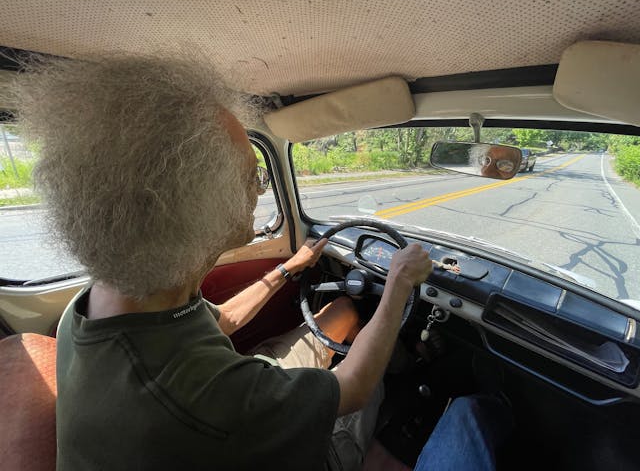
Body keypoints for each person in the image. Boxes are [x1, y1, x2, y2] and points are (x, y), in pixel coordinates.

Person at [14, 54, 431, 471]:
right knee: (384, 387)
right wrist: (400, 281)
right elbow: (354, 387)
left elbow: (220, 322)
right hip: (259, 434)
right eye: (253, 176)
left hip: (219, 407)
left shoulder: (100, 304)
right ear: (197, 206)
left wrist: (289, 268)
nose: (260, 189)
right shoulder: (197, 396)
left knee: (341, 312)